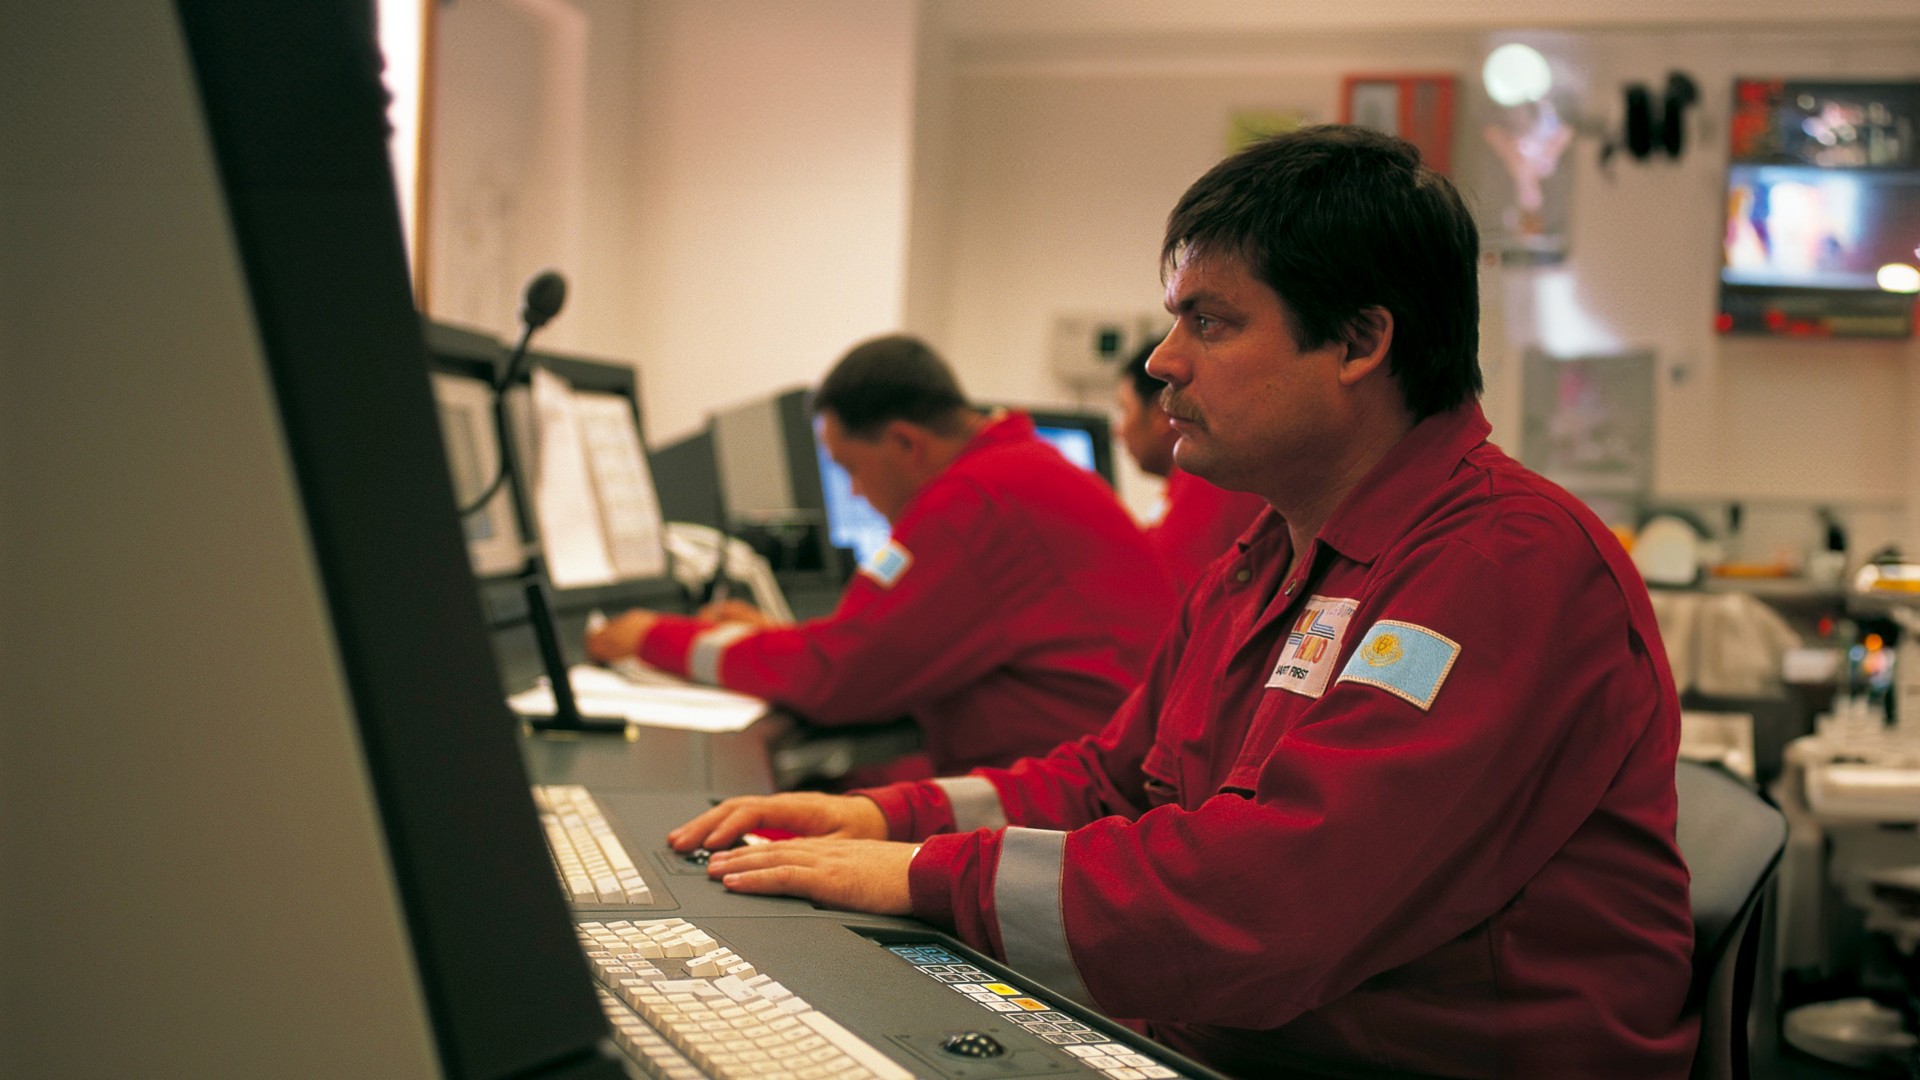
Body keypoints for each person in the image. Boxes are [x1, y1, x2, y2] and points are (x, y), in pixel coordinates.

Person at [661, 126, 1698, 1078]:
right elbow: (1113, 783)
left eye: (1211, 322)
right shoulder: (1272, 552)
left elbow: (1277, 910)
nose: (1163, 361)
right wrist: (886, 818)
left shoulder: (1503, 564)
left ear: (1356, 342)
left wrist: (925, 876)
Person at [587, 334, 1177, 780]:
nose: (852, 493)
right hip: (1083, 776)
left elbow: (837, 677)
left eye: (850, 468)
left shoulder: (974, 500)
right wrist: (784, 638)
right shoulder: (1017, 468)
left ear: (905, 444)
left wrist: (652, 636)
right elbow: (879, 647)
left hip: (1063, 801)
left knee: (782, 820)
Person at [1114, 338, 1268, 593]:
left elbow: (1163, 599)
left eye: (1124, 410)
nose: (1118, 431)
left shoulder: (1207, 481)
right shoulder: (1191, 484)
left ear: (1160, 413)